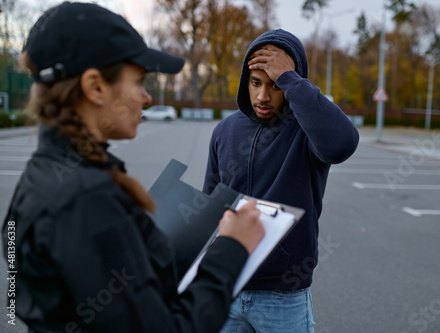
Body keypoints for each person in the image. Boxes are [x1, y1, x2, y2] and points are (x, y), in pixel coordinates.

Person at [1, 2, 265, 332]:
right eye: (139, 80)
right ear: (96, 87)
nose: (147, 97)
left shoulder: (43, 176)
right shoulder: (88, 198)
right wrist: (231, 248)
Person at [203, 29, 359, 332]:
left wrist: (291, 79)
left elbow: (342, 144)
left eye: (275, 85)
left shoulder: (307, 130)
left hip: (282, 296)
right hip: (226, 288)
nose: (263, 96)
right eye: (256, 83)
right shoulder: (224, 131)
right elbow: (210, 204)